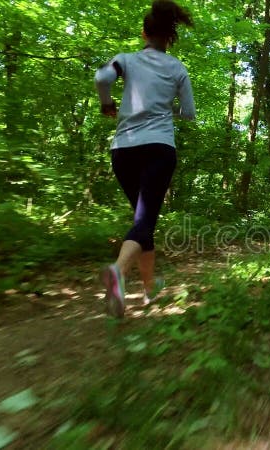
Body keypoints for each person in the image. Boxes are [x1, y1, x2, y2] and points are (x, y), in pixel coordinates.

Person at [95, 0, 196, 318]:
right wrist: (169, 109)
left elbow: (101, 78)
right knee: (145, 221)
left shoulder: (125, 60)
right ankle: (119, 272)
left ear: (144, 33)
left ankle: (150, 287)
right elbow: (190, 113)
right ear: (170, 37)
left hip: (122, 151)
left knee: (142, 221)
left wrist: (107, 104)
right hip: (158, 149)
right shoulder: (177, 68)